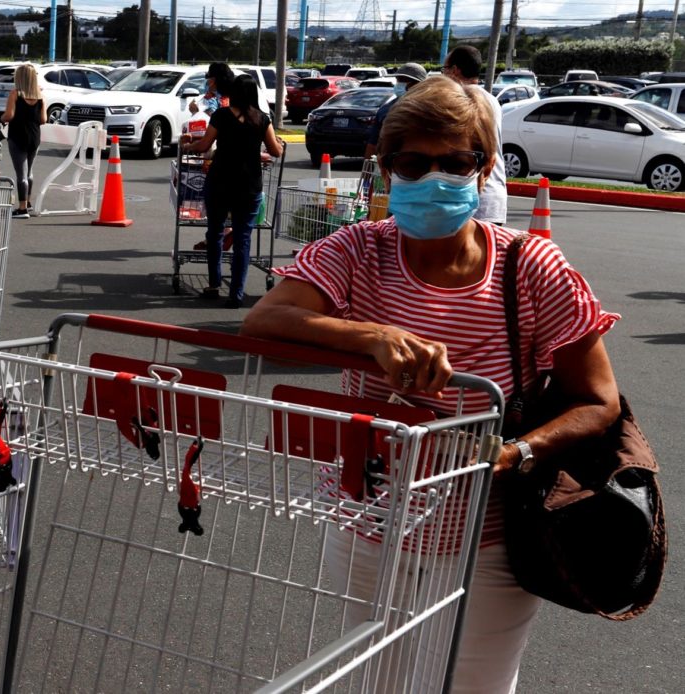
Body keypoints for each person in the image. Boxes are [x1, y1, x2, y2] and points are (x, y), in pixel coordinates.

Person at [242, 76, 621, 692]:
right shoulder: (359, 249)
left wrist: (516, 452)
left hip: (486, 540)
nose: (434, 178)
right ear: (386, 169)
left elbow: (597, 401)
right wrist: (370, 336)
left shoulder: (530, 268)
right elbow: (267, 318)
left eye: (455, 162)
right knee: (377, 682)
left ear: (486, 165)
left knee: (473, 685)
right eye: (413, 164)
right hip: (368, 525)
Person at [181, 74, 284, 308]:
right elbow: (275, 151)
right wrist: (278, 142)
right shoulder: (262, 119)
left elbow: (205, 145)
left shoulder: (221, 115)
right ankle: (236, 293)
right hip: (249, 187)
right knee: (242, 239)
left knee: (215, 233)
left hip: (219, 183)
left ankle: (214, 284)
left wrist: (188, 146)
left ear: (235, 93)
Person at [444, 45, 508, 225]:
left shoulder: (460, 98)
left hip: (468, 200)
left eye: (445, 69)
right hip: (493, 199)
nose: (443, 75)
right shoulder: (491, 100)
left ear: (454, 70)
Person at [0, 63, 46, 219]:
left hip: (18, 135)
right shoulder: (40, 95)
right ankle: (28, 202)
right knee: (29, 172)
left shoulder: (16, 94)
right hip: (34, 136)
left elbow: (8, 116)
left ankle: (21, 209)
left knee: (21, 174)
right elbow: (43, 119)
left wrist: (0, 118)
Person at [363, 62, 427, 160]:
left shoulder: (430, 109)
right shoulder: (386, 110)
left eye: (404, 80)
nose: (400, 83)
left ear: (418, 84)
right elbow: (373, 144)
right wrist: (367, 172)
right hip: (390, 166)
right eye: (398, 80)